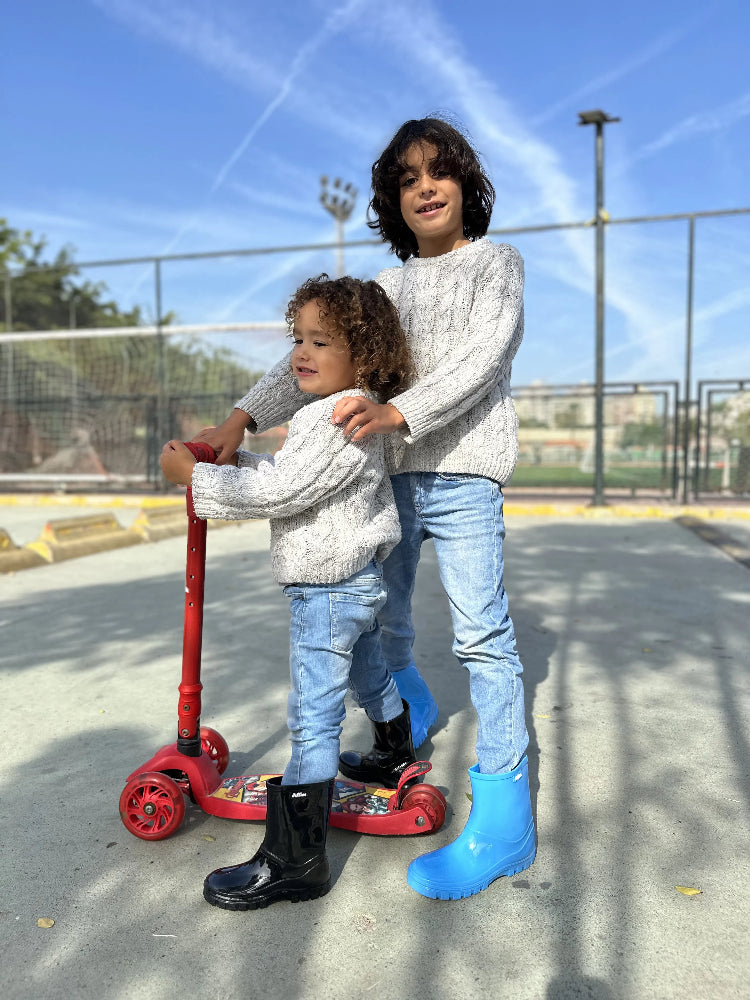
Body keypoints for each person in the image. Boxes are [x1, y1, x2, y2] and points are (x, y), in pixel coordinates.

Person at [198, 116, 536, 901]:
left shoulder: (497, 264)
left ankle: (505, 822)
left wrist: (399, 413)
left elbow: (485, 359)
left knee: (483, 634)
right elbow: (311, 361)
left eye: (440, 172)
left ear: (466, 185)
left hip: (463, 475)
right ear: (390, 197)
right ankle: (399, 730)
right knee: (380, 617)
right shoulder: (384, 288)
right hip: (388, 480)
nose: (425, 186)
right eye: (408, 177)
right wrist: (241, 419)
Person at [160, 275, 418, 911]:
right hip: (351, 585)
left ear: (363, 356)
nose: (301, 352)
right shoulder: (336, 413)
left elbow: (282, 492)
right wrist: (231, 463)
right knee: (368, 671)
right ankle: (393, 748)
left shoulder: (336, 420)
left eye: (321, 341)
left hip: (328, 591)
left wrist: (198, 481)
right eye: (298, 337)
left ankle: (295, 859)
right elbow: (288, 477)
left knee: (313, 717)